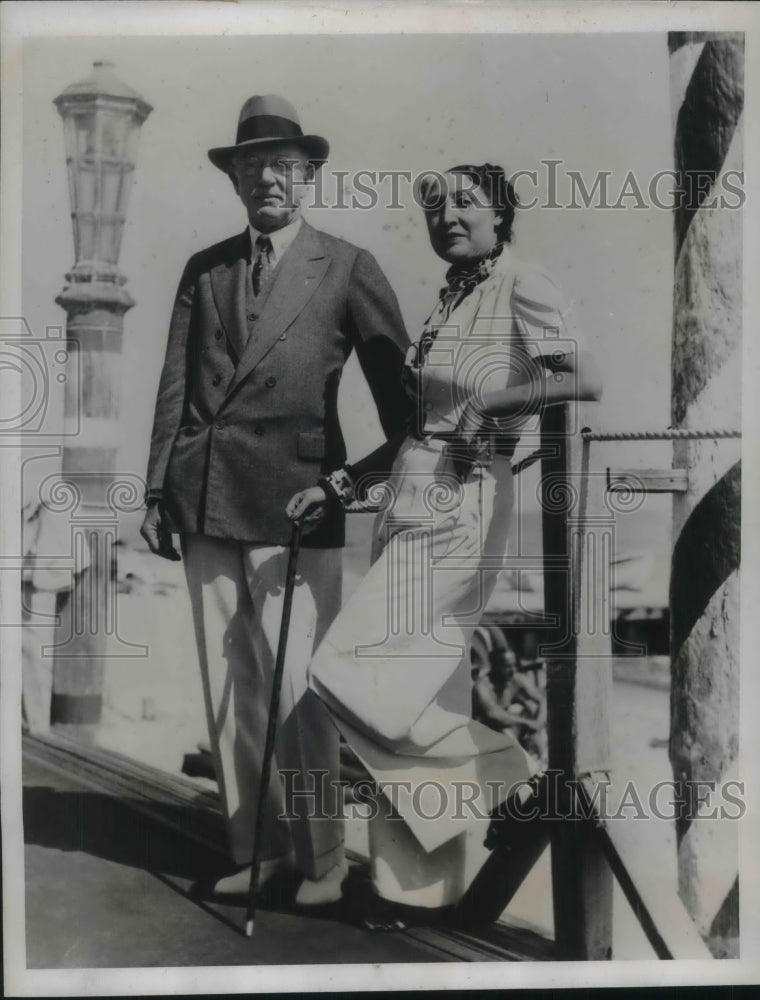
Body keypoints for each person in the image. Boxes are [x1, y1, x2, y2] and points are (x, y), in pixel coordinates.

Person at [287, 162, 602, 918]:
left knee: (341, 672)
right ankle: (416, 892)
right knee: (408, 690)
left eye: (467, 202)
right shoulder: (453, 295)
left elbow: (583, 378)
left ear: (501, 214)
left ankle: (511, 774)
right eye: (435, 205)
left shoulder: (524, 282)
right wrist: (340, 485)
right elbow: (415, 428)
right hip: (411, 491)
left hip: (464, 497)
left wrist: (488, 405)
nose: (448, 215)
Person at [141, 94, 409, 905]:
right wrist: (155, 490)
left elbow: (404, 413)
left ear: (310, 175)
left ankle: (323, 862)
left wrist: (349, 485)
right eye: (252, 166)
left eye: (283, 166)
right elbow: (174, 388)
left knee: (299, 686)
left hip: (300, 503)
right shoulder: (206, 268)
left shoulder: (349, 266)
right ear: (234, 180)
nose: (267, 179)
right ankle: (256, 849)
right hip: (203, 494)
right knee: (232, 688)